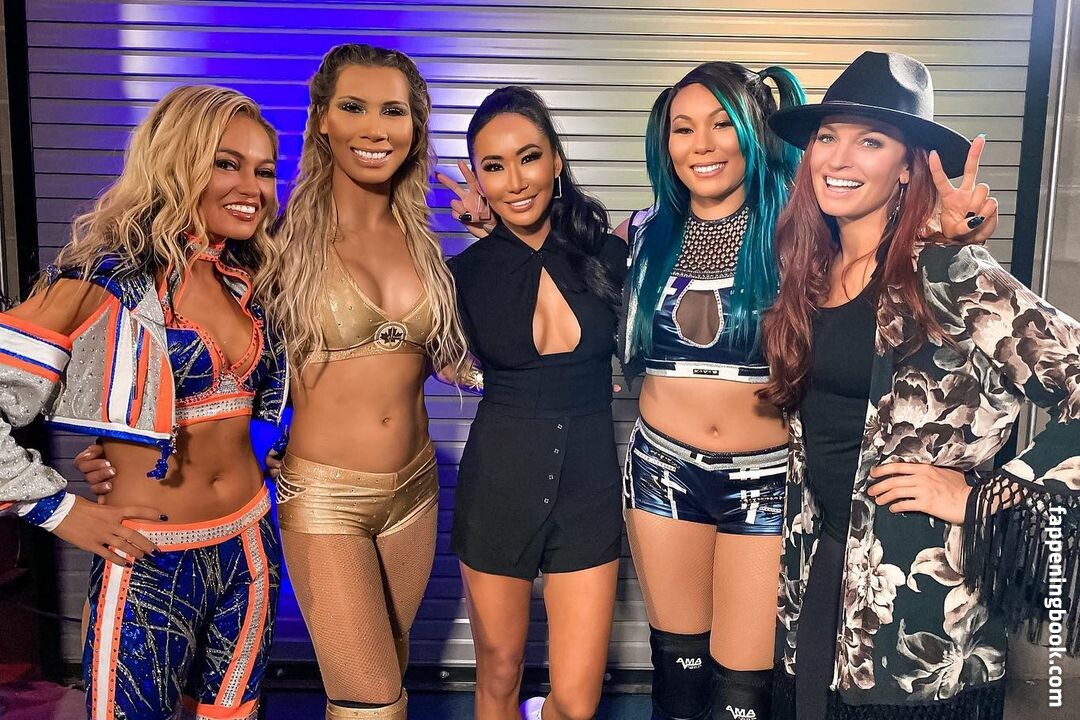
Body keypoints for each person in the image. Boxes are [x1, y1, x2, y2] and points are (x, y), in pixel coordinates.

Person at [760, 51, 1078, 720]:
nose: (838, 158)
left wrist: (986, 497)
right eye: (828, 136)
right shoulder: (812, 271)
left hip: (916, 601)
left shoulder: (946, 272)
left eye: (870, 141)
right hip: (818, 572)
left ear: (907, 166)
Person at [4, 85, 288, 720]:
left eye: (264, 170)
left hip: (249, 544)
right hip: (151, 559)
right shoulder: (104, 280)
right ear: (177, 162)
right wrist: (58, 509)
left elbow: (261, 404)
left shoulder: (252, 282)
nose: (251, 187)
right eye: (226, 163)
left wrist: (275, 446)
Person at [615, 62, 804, 720]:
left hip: (768, 479)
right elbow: (555, 263)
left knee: (743, 695)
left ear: (754, 132)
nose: (702, 144)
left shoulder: (801, 233)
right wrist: (488, 225)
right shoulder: (641, 234)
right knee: (679, 680)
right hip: (663, 473)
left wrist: (945, 237)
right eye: (683, 128)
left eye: (722, 125)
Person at [441, 85, 626, 720]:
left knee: (576, 702)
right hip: (498, 486)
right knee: (498, 674)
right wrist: (484, 381)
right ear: (480, 180)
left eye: (529, 157)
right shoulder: (463, 275)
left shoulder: (608, 254)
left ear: (556, 161)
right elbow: (437, 359)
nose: (516, 181)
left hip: (589, 493)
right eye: (494, 166)